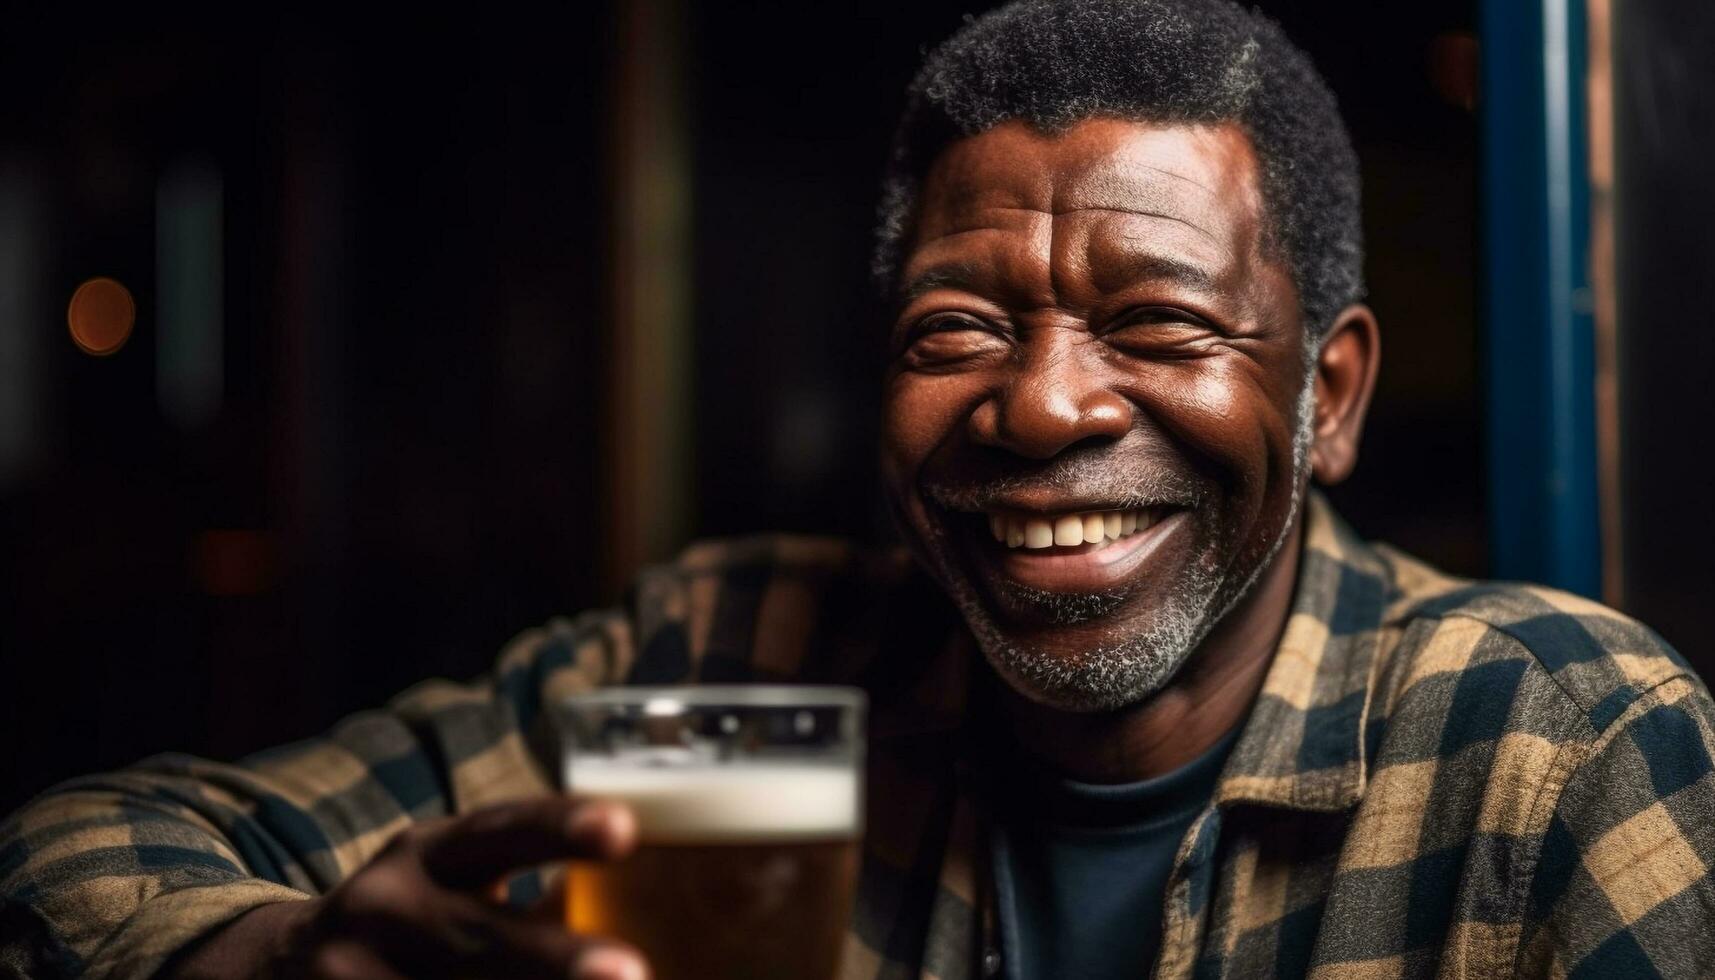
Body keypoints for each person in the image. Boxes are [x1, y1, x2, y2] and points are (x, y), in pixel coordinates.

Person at [4, 1, 1712, 977]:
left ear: (1325, 397)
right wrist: (284, 967)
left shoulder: (1546, 753)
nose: (1039, 409)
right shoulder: (744, 672)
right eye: (959, 325)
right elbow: (75, 848)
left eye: (1159, 323)